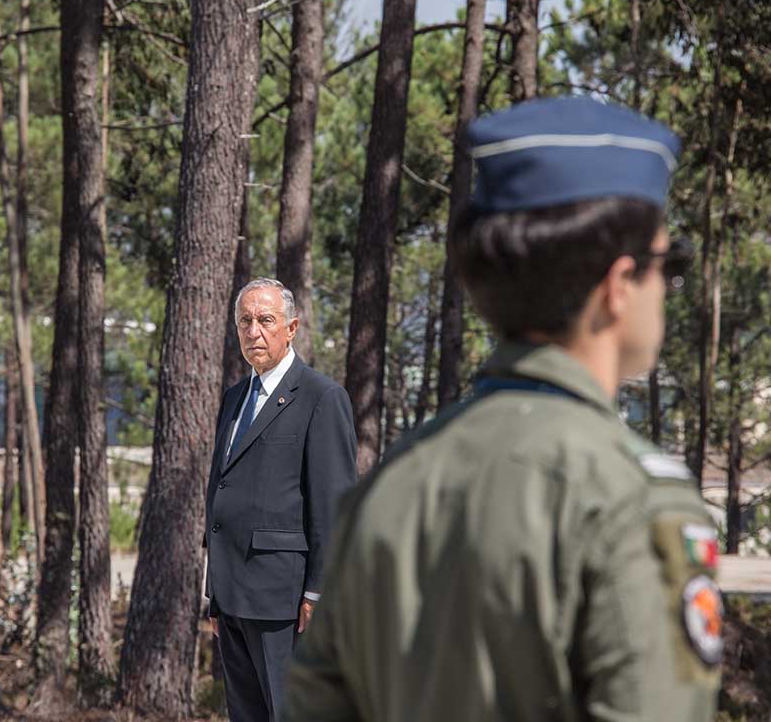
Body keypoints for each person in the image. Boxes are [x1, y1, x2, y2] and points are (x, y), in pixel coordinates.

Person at [285, 97, 721, 722]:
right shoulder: (635, 502)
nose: (668, 290)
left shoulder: (389, 487)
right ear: (618, 287)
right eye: (667, 265)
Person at [205, 277, 358, 722]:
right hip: (233, 599)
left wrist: (319, 591)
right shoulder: (235, 397)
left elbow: (334, 505)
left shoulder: (321, 397)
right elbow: (222, 490)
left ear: (291, 328)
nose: (254, 331)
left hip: (286, 602)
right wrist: (215, 593)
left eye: (265, 320)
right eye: (245, 321)